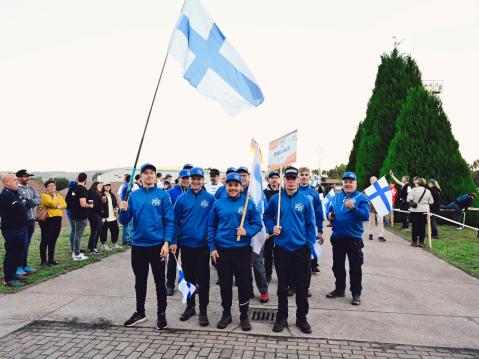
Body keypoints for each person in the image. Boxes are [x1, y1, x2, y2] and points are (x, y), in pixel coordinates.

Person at [119, 163, 174, 330]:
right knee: (140, 281)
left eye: (152, 173)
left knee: (159, 282)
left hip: (157, 246)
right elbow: (124, 220)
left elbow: (169, 221)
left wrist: (166, 242)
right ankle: (140, 312)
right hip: (138, 246)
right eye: (146, 173)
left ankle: (161, 315)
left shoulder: (163, 195)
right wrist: (122, 209)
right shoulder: (133, 196)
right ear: (141, 176)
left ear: (156, 176)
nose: (149, 176)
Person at [263, 166, 317, 334]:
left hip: (301, 250)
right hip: (281, 249)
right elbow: (267, 216)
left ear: (298, 180)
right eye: (288, 178)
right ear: (284, 180)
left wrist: (308, 245)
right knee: (282, 288)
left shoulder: (306, 200)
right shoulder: (275, 200)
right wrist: (273, 228)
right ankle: (282, 317)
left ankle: (302, 319)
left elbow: (310, 225)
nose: (291, 181)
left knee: (301, 287)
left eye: (294, 178)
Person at [208, 173, 262, 331]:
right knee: (225, 285)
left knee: (244, 285)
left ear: (241, 186)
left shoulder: (248, 203)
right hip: (222, 251)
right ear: (226, 186)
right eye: (230, 185)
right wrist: (212, 248)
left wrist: (247, 231)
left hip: (242, 251)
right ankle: (226, 314)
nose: (233, 188)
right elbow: (211, 227)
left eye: (236, 185)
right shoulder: (218, 204)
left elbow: (257, 224)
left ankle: (244, 315)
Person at [173, 167, 215, 326]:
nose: (196, 181)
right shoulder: (182, 199)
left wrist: (213, 244)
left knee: (204, 281)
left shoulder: (210, 199)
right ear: (189, 180)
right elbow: (175, 222)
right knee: (188, 280)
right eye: (193, 179)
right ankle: (190, 307)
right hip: (186, 246)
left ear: (203, 180)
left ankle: (203, 311)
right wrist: (174, 241)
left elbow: (215, 222)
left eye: (199, 179)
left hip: (203, 247)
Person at [326, 171, 370, 306]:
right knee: (337, 266)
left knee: (355, 267)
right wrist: (330, 216)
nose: (348, 184)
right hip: (338, 237)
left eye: (351, 181)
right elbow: (330, 211)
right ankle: (339, 289)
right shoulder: (337, 196)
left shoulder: (361, 198)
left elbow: (365, 215)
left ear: (355, 183)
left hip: (353, 239)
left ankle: (356, 293)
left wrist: (353, 208)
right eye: (345, 181)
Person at [237, 166, 269, 303]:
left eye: (245, 175)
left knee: (257, 264)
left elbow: (266, 213)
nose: (243, 177)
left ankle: (263, 291)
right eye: (240, 175)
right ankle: (248, 289)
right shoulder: (234, 192)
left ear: (249, 177)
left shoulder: (257, 192)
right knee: (243, 265)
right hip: (240, 236)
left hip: (255, 235)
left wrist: (266, 231)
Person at [0, 174, 29, 287]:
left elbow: (26, 203)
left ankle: (12, 273)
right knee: (12, 253)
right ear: (6, 182)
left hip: (20, 228)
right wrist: (24, 203)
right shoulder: (5, 195)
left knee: (18, 253)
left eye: (17, 180)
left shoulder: (14, 193)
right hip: (12, 230)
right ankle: (8, 279)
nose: (17, 182)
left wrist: (25, 203)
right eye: (14, 180)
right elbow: (21, 207)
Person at [166, 169, 191, 296]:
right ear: (179, 179)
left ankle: (189, 283)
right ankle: (169, 284)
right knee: (172, 259)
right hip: (174, 230)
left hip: (188, 233)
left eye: (188, 178)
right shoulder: (171, 192)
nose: (186, 180)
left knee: (188, 261)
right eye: (183, 178)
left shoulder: (194, 192)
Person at [298, 167, 324, 273]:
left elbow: (319, 213)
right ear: (298, 177)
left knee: (307, 257)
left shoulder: (314, 194)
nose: (304, 177)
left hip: (310, 229)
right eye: (301, 175)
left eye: (306, 175)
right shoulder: (292, 191)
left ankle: (304, 287)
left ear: (309, 176)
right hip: (296, 229)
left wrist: (320, 230)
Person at [16, 169, 41, 276]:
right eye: (26, 176)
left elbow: (39, 200)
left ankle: (24, 265)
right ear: (19, 177)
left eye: (28, 176)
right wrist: (30, 202)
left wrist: (30, 202)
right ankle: (18, 267)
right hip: (22, 221)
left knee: (27, 244)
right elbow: (21, 203)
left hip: (32, 220)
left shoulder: (31, 188)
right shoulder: (16, 189)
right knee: (21, 245)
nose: (28, 178)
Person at [39, 180, 66, 266]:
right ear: (46, 187)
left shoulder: (58, 195)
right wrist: (56, 203)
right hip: (47, 220)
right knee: (45, 240)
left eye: (53, 186)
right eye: (50, 186)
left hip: (57, 220)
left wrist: (58, 206)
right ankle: (43, 261)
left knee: (53, 240)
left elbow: (65, 204)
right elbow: (51, 203)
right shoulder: (44, 195)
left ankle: (51, 260)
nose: (52, 187)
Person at [65, 173, 92, 261]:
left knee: (75, 233)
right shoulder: (82, 189)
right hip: (81, 215)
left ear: (77, 179)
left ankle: (74, 251)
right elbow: (83, 204)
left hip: (73, 214)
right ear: (85, 180)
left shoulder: (72, 188)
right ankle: (76, 254)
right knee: (78, 235)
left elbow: (67, 202)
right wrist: (90, 205)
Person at [263, 170, 280, 283]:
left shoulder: (283, 193)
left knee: (280, 254)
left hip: (280, 229)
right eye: (272, 177)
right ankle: (267, 274)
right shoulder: (263, 193)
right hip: (268, 229)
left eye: (276, 177)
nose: (274, 179)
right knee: (267, 253)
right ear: (268, 179)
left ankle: (282, 275)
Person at [408, 178, 434, 248]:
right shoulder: (428, 191)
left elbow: (408, 199)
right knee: (422, 226)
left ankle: (414, 242)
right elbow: (431, 202)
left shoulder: (413, 190)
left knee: (414, 226)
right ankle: (421, 242)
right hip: (424, 210)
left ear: (417, 183)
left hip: (415, 210)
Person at [100, 183, 120, 250]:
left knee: (115, 230)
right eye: (106, 186)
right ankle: (103, 244)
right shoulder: (101, 195)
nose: (108, 187)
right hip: (105, 217)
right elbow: (100, 204)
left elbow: (116, 203)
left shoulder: (112, 195)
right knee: (103, 231)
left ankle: (114, 243)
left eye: (109, 186)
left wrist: (117, 208)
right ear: (103, 187)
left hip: (113, 216)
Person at [87, 182, 104, 254]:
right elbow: (94, 205)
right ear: (95, 186)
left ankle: (94, 247)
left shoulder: (97, 193)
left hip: (97, 214)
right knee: (94, 231)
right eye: (99, 186)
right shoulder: (92, 193)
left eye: (101, 186)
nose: (101, 187)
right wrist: (101, 209)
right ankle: (91, 249)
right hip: (93, 214)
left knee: (98, 231)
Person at [367, 176, 386, 242]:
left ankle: (380, 236)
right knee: (371, 221)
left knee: (380, 221)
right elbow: (366, 199)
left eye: (375, 180)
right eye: (373, 180)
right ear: (370, 181)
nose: (374, 181)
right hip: (371, 208)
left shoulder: (380, 188)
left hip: (379, 207)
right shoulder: (368, 190)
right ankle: (370, 234)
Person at [66, 180, 77, 251]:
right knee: (74, 230)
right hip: (72, 213)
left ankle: (74, 247)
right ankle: (73, 248)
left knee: (74, 230)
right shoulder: (73, 192)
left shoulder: (69, 192)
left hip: (70, 212)